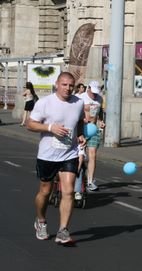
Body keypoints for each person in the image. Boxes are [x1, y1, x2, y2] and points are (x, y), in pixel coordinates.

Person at [26, 72, 86, 244]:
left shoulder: (78, 102)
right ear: (57, 84)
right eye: (64, 84)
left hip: (70, 153)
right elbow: (30, 124)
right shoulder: (45, 103)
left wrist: (80, 134)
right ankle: (41, 220)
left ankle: (63, 230)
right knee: (45, 191)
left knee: (69, 191)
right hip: (48, 154)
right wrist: (50, 127)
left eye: (71, 85)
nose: (68, 88)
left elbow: (80, 120)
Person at [79, 80, 105, 191]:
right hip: (82, 128)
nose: (94, 94)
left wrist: (101, 121)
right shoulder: (81, 97)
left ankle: (90, 181)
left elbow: (99, 114)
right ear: (88, 88)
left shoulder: (100, 98)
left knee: (93, 154)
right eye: (92, 92)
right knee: (79, 156)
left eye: (96, 92)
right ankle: (76, 177)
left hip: (94, 129)